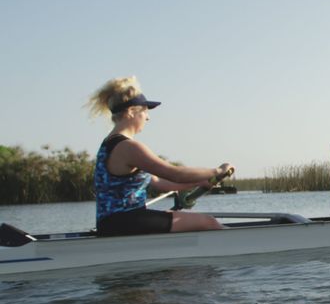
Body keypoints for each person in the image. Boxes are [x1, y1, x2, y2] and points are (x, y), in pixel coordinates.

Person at [86, 76, 234, 236]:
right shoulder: (128, 147)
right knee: (208, 222)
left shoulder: (109, 144)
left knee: (192, 221)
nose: (148, 117)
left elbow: (159, 182)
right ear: (130, 112)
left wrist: (200, 181)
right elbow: (174, 173)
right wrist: (217, 171)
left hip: (114, 222)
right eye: (145, 111)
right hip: (125, 221)